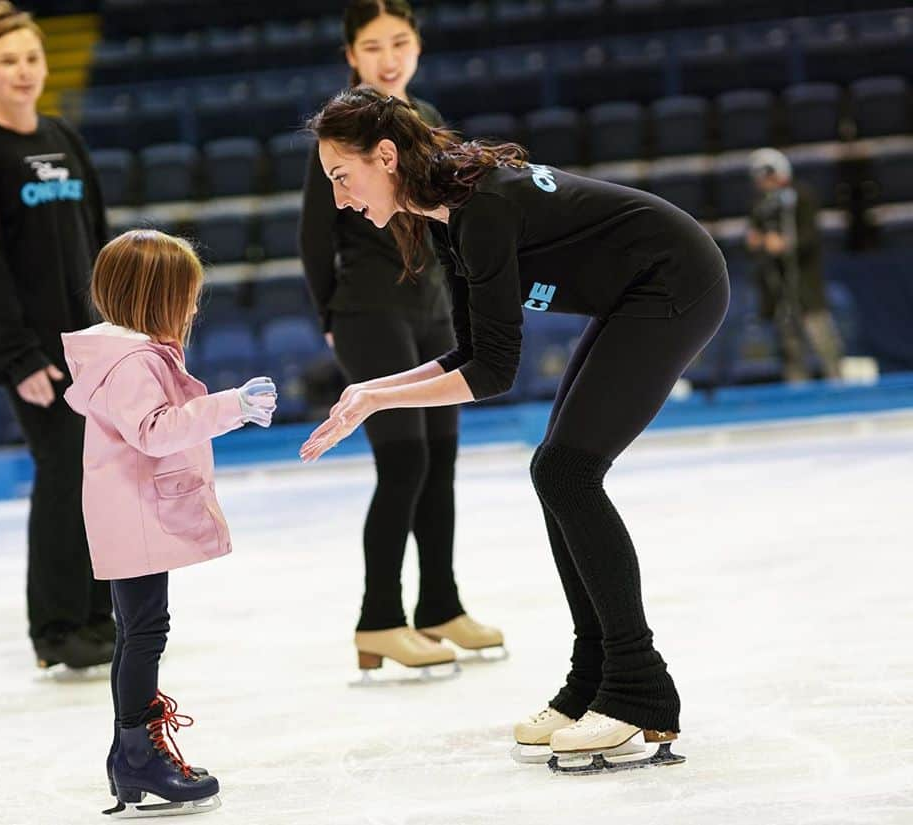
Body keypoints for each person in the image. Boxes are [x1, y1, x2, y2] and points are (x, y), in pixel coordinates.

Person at [299, 87, 730, 769]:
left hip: (675, 282)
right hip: (635, 293)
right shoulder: (448, 216)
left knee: (566, 470)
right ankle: (593, 679)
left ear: (385, 156)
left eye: (341, 177)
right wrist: (368, 391)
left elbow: (495, 371)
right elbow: (470, 352)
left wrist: (380, 402)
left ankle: (637, 689)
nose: (340, 198)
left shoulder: (482, 211)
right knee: (557, 471)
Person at [299, 0, 503, 676]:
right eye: (374, 45)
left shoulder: (426, 119)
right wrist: (331, 316)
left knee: (440, 457)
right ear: (351, 56)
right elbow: (313, 234)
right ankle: (380, 617)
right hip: (368, 310)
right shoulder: (340, 132)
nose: (390, 57)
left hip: (430, 306)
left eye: (401, 41)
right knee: (405, 461)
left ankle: (439, 603)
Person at [62, 229, 277, 813]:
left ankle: (128, 752)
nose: (193, 307)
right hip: (132, 517)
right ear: (155, 297)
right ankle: (136, 753)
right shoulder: (131, 363)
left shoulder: (129, 355)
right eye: (187, 295)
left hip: (128, 513)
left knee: (136, 631)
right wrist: (229, 407)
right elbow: (154, 431)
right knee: (144, 632)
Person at [0, 0, 113, 672]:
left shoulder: (62, 138)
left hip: (92, 344)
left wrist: (117, 326)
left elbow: (99, 239)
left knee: (102, 476)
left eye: (32, 59)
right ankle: (55, 626)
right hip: (36, 354)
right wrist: (18, 355)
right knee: (62, 472)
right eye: (8, 60)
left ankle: (100, 613)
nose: (23, 71)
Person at [746, 148, 844, 382]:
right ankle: (796, 385)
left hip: (804, 281)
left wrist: (786, 244)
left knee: (821, 337)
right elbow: (755, 237)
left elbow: (811, 236)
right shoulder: (760, 205)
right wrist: (757, 242)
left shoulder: (800, 196)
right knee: (788, 342)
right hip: (778, 286)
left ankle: (838, 381)